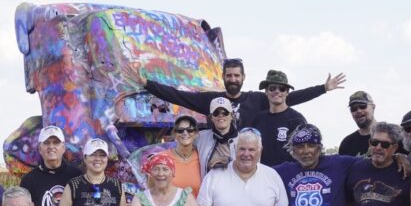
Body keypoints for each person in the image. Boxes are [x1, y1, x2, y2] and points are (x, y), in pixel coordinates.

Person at [140, 57, 345, 129]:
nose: (233, 80)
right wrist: (147, 83)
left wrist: (323, 89)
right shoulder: (212, 100)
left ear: (243, 77)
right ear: (223, 77)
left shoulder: (257, 99)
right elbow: (178, 96)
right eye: (229, 76)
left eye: (236, 76)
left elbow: (289, 97)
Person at [248, 70, 308, 167]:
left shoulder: (297, 120)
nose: (277, 91)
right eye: (272, 88)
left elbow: (305, 152)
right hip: (262, 176)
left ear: (287, 92)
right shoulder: (258, 119)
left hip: (288, 177)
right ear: (266, 92)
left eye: (282, 89)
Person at [194, 97, 238, 174]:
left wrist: (229, 161)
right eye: (216, 112)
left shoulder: (243, 140)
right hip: (208, 185)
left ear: (232, 116)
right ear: (211, 117)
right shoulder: (200, 137)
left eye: (225, 112)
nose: (220, 115)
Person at [167, 115, 203, 196]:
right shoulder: (163, 158)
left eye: (190, 130)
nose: (185, 133)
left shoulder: (202, 157)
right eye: (180, 130)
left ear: (195, 134)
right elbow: (151, 191)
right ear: (174, 134)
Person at [338, 91, 376, 157]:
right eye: (353, 109)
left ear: (373, 107)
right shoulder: (347, 143)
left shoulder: (392, 135)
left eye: (362, 106)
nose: (358, 111)